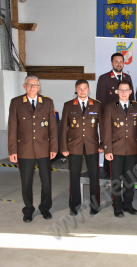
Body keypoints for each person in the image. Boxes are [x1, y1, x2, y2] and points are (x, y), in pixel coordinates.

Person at [8, 75, 58, 222]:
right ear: (24, 86)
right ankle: (28, 209)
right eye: (29, 85)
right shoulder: (16, 102)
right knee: (26, 181)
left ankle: (45, 208)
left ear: (39, 87)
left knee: (46, 181)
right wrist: (12, 150)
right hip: (24, 149)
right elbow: (12, 128)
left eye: (35, 85)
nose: (32, 88)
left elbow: (53, 128)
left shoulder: (47, 102)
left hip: (44, 149)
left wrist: (54, 147)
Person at [59, 79, 103, 216]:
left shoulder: (96, 105)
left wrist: (103, 144)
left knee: (94, 175)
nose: (82, 91)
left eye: (85, 88)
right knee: (74, 175)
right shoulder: (68, 105)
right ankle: (74, 205)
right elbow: (63, 129)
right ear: (76, 90)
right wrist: (63, 147)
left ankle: (94, 205)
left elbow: (103, 126)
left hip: (92, 145)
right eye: (80, 88)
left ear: (89, 89)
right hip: (73, 146)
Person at [103, 80, 137, 218]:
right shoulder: (110, 107)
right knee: (116, 180)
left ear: (131, 92)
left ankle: (128, 205)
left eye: (126, 90)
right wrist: (107, 150)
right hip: (116, 150)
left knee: (129, 180)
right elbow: (106, 130)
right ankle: (117, 207)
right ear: (117, 92)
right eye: (121, 90)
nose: (124, 93)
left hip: (132, 149)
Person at [96, 52, 134, 176]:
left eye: (121, 61)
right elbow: (100, 101)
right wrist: (103, 120)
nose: (119, 64)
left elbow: (132, 99)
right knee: (110, 143)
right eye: (116, 61)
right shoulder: (104, 78)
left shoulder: (127, 78)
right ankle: (109, 169)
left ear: (124, 63)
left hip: (125, 117)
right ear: (112, 63)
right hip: (110, 118)